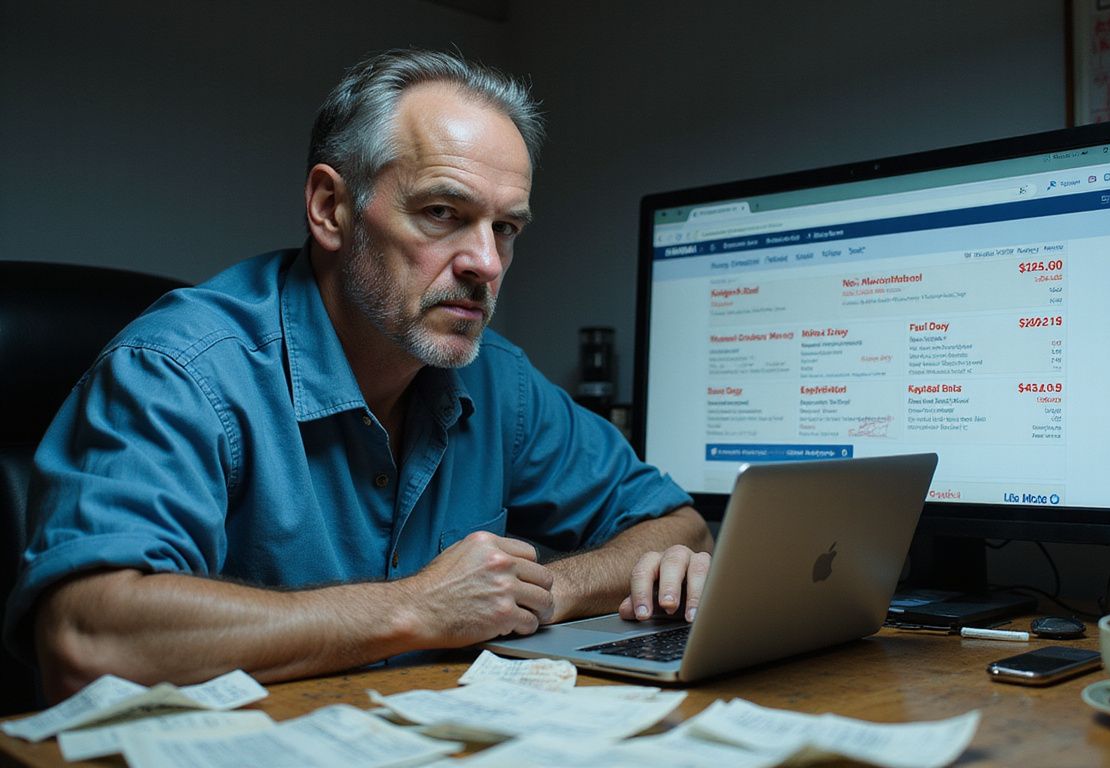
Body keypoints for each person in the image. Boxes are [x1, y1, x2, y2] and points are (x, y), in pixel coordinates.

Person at [3, 49, 713, 702]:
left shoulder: (499, 380)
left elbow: (676, 524)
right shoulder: (179, 370)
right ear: (330, 208)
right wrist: (415, 608)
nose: (486, 264)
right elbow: (86, 639)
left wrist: (542, 590)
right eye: (443, 213)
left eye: (505, 229)